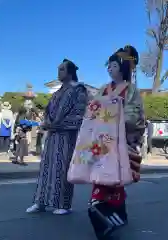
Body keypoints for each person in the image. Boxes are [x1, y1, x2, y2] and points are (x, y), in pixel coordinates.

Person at [88, 46, 145, 239]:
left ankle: (108, 218)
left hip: (119, 141)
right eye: (109, 65)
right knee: (103, 179)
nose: (109, 69)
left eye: (113, 65)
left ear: (123, 68)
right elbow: (92, 109)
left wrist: (114, 115)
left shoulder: (131, 90)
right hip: (102, 141)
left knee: (113, 180)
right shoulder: (104, 89)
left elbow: (135, 116)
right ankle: (115, 215)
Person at [26, 59, 88, 215]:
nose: (58, 72)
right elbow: (47, 112)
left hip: (67, 136)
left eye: (61, 69)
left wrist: (58, 125)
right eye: (58, 69)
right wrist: (47, 123)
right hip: (52, 135)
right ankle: (40, 202)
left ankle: (64, 204)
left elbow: (79, 114)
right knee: (46, 169)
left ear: (70, 72)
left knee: (62, 169)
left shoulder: (78, 90)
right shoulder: (57, 93)